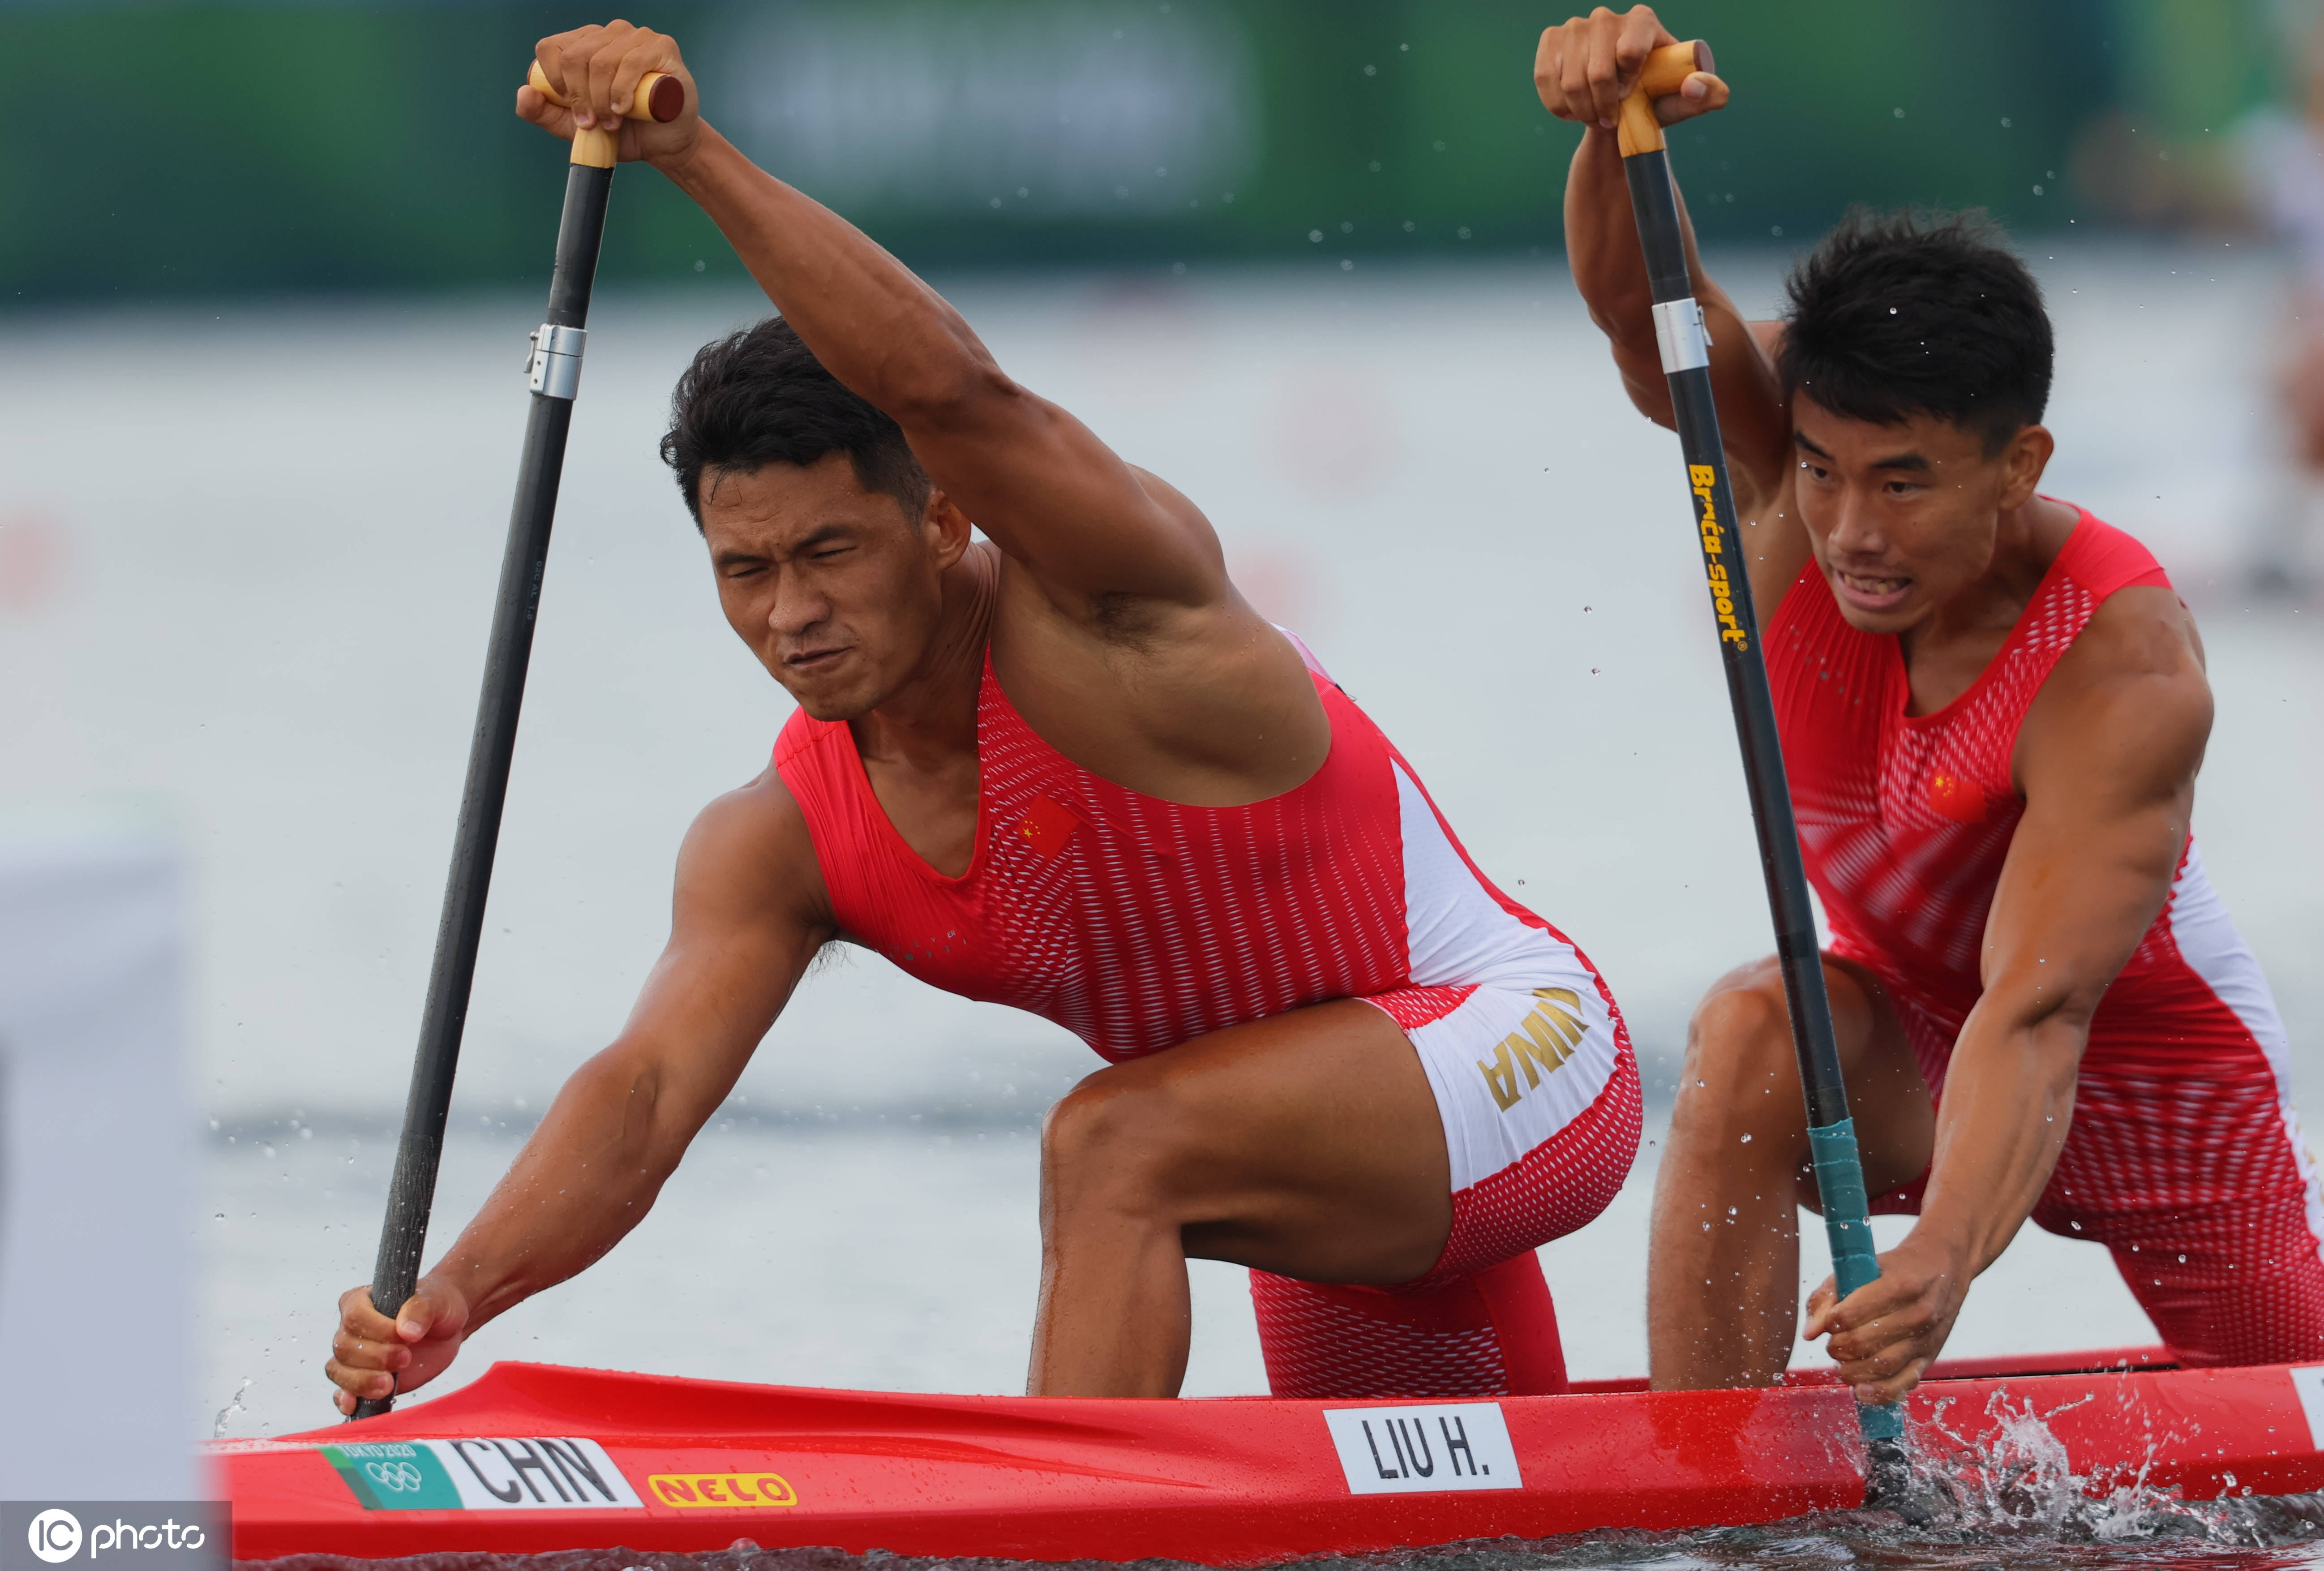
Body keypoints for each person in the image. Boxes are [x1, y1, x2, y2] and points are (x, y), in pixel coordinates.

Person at [326, 18, 1642, 1413]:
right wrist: (459, 1292)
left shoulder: (1106, 604)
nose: (791, 617)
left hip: (1519, 1049)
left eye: (831, 552)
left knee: (1108, 1146)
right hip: (1316, 1156)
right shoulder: (779, 842)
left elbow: (949, 387)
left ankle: (1051, 1525)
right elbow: (645, 1094)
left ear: (942, 516)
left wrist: (690, 156)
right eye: (746, 571)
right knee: (1480, 1520)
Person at [1539, 6, 2324, 1406]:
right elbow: (1633, 305)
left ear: (2020, 463)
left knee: (2294, 1422)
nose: (1848, 531)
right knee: (1750, 1028)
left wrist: (1945, 1262)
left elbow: (2036, 1014)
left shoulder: (2125, 665)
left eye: (1902, 481)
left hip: (2153, 1084)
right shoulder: (1784, 460)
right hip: (1911, 1034)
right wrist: (1610, 137)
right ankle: (1708, 1471)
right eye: (1826, 472)